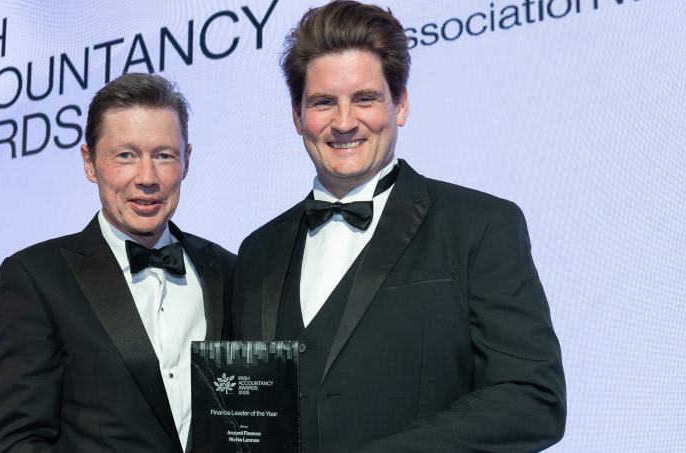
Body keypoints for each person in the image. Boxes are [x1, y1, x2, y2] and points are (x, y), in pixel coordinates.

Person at [230, 2, 567, 452]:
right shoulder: (256, 251)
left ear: (401, 104)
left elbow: (533, 399)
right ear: (297, 115)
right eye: (324, 102)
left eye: (365, 99)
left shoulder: (479, 226)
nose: (344, 122)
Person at [0, 73, 235, 453]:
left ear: (186, 161)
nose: (147, 178)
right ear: (90, 163)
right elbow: (17, 441)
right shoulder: (37, 278)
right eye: (125, 156)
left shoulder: (228, 271)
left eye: (164, 155)